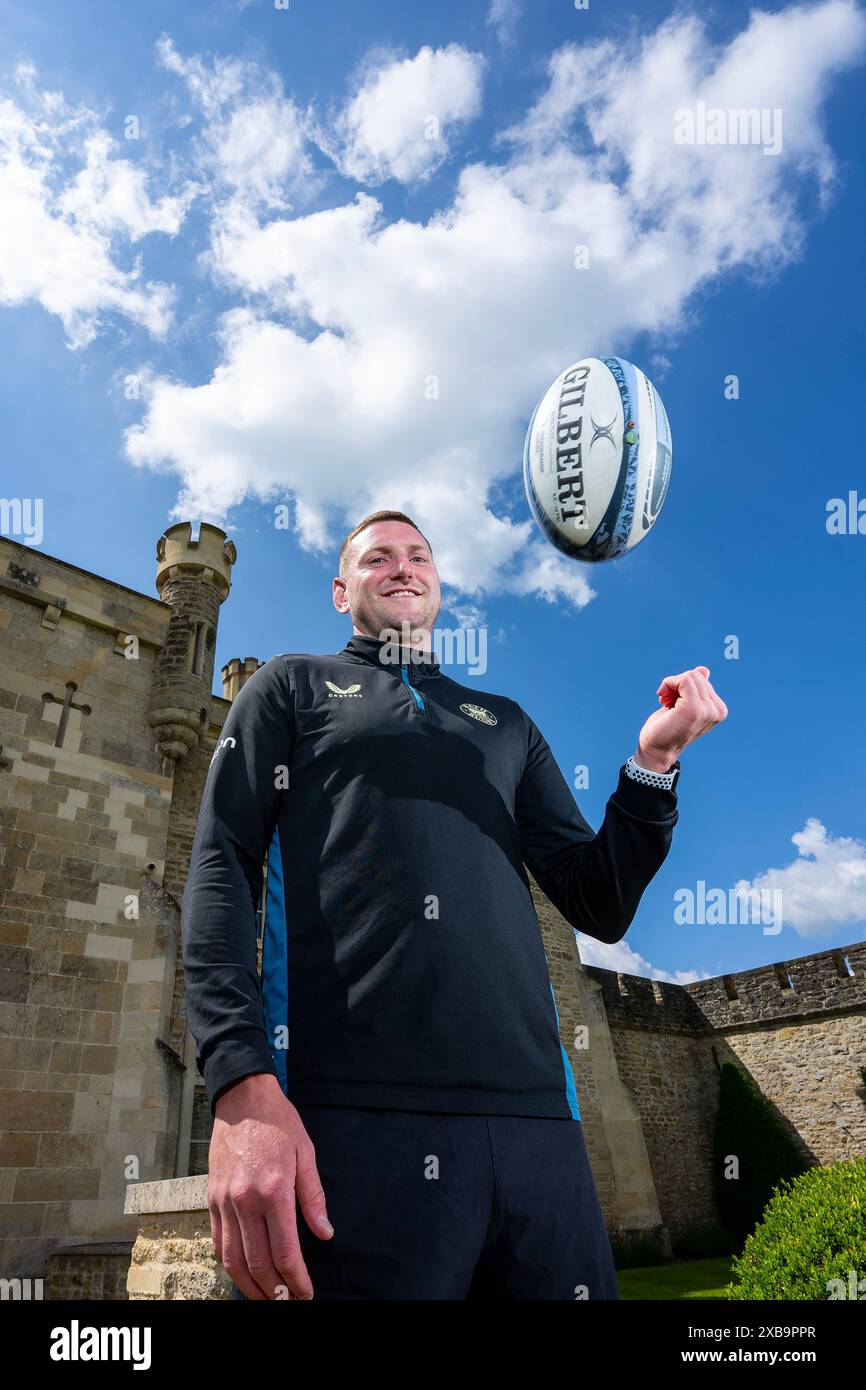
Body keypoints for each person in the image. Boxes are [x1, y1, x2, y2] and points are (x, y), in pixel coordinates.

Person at [181, 509, 727, 1301]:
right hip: (351, 1118)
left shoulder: (505, 723)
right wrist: (240, 1086)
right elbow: (219, 867)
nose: (403, 567)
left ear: (438, 585)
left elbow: (596, 898)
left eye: (419, 556)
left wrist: (655, 759)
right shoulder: (288, 689)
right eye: (378, 558)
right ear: (342, 591)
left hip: (539, 1124)